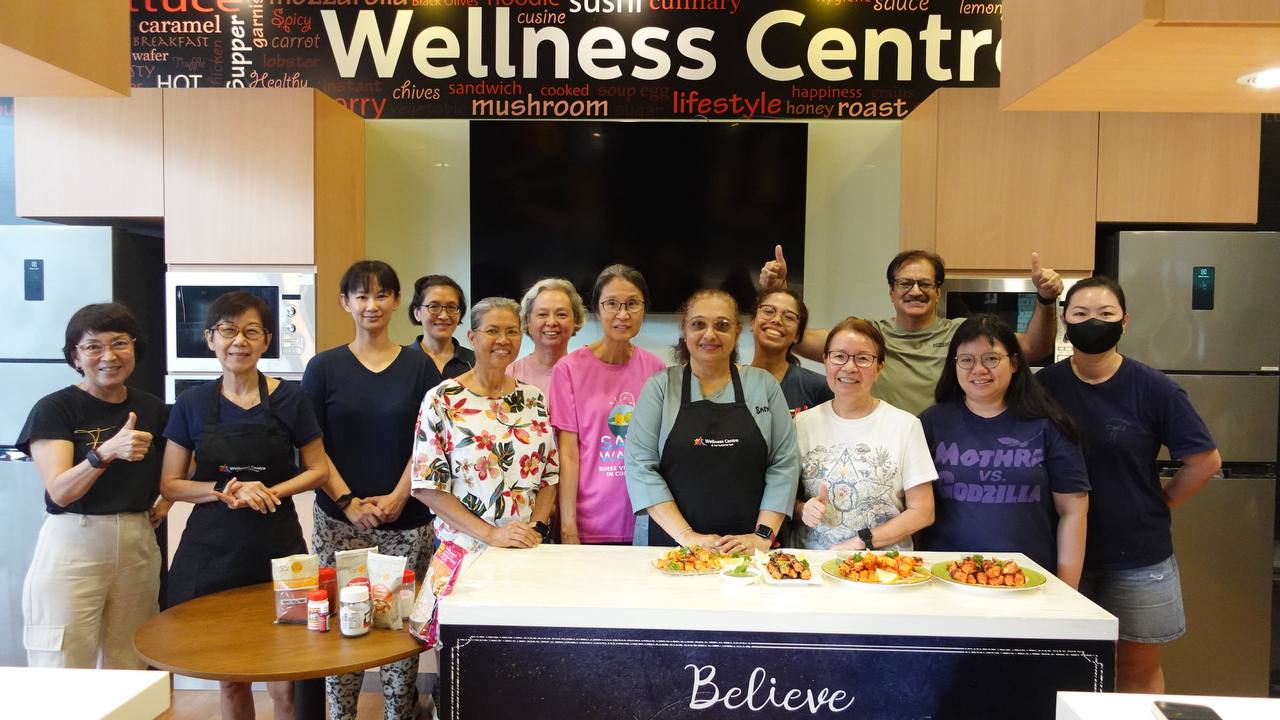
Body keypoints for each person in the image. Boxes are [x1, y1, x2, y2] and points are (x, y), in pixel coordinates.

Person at [1036, 276, 1220, 694]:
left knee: (1136, 667)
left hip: (1138, 557)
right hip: (1058, 552)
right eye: (1081, 314)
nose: (1092, 323)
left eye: (1105, 314)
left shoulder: (1154, 388)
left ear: (1125, 322)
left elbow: (1205, 461)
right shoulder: (1044, 386)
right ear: (1065, 321)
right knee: (1064, 668)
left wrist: (1159, 503)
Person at [161, 291, 328, 720]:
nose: (240, 340)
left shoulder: (291, 399)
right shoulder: (192, 404)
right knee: (231, 675)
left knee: (286, 671)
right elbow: (172, 483)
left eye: (251, 331)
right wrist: (224, 490)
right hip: (213, 551)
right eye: (228, 330)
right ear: (210, 339)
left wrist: (271, 491)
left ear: (266, 340)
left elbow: (317, 471)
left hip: (279, 548)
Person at [301, 261, 440, 720]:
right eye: (361, 296)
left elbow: (427, 441)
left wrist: (401, 495)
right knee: (343, 621)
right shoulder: (323, 367)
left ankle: (397, 714)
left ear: (398, 301)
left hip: (408, 519)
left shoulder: (419, 366)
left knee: (399, 625)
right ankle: (343, 715)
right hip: (339, 520)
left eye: (382, 295)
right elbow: (312, 445)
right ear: (345, 303)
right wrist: (347, 501)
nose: (372, 305)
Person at [18, 303, 169, 669]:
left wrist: (166, 502)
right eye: (93, 346)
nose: (109, 356)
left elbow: (181, 466)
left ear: (135, 348)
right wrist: (105, 453)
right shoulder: (56, 408)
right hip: (74, 540)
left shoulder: (152, 408)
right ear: (75, 356)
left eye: (119, 343)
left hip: (136, 541)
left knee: (132, 660)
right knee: (64, 660)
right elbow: (59, 492)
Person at [759, 245, 1064, 415]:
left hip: (946, 450)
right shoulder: (869, 337)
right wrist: (780, 293)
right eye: (905, 283)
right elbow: (794, 338)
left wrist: (1046, 299)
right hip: (885, 453)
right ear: (891, 292)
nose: (915, 291)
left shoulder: (962, 335)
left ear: (938, 292)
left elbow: (1033, 348)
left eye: (925, 284)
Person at [918, 314, 1089, 587]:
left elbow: (1073, 511)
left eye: (991, 358)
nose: (979, 369)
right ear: (955, 365)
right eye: (966, 360)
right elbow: (915, 509)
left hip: (1028, 579)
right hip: (946, 577)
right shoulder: (930, 423)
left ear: (1015, 363)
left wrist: (1068, 591)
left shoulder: (1049, 425)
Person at [625, 289, 799, 553]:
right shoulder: (660, 388)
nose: (710, 334)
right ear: (684, 329)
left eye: (722, 325)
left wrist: (762, 536)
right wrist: (687, 537)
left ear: (738, 332)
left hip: (746, 548)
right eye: (698, 324)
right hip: (672, 545)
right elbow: (640, 466)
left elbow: (784, 464)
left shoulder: (763, 386)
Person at [410, 297, 559, 550]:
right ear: (472, 337)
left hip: (526, 547)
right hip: (463, 548)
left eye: (512, 331)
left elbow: (549, 475)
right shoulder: (442, 398)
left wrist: (537, 528)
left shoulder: (533, 398)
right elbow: (427, 486)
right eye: (492, 331)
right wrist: (492, 535)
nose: (503, 340)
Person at [792, 318, 936, 551]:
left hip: (883, 569)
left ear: (880, 367)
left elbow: (923, 512)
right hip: (814, 566)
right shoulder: (802, 423)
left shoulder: (905, 425)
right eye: (839, 356)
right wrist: (802, 510)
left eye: (863, 358)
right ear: (825, 361)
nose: (849, 367)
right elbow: (782, 498)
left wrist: (862, 541)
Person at [550, 265, 666, 545]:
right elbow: (568, 455)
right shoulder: (568, 369)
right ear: (596, 308)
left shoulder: (656, 369)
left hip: (643, 519)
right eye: (611, 304)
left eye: (632, 304)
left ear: (644, 309)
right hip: (587, 523)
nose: (622, 314)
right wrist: (568, 530)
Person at [748, 287, 831, 415]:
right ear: (752, 322)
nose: (776, 320)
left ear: (798, 334)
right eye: (769, 311)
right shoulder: (729, 382)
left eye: (789, 317)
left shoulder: (819, 387)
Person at [507, 277, 586, 395]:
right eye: (542, 314)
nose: (551, 322)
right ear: (528, 321)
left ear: (575, 319)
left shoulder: (588, 376)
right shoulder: (510, 375)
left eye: (561, 314)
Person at [407, 274, 474, 379]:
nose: (444, 316)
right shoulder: (400, 361)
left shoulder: (475, 362)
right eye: (434, 306)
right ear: (417, 313)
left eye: (451, 307)